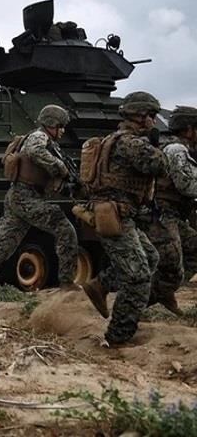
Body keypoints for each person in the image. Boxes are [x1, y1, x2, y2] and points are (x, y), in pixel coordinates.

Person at [0, 104, 79, 314]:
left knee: (4, 247)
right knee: (64, 229)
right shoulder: (39, 138)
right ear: (52, 125)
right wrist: (60, 167)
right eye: (61, 126)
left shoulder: (40, 139)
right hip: (26, 196)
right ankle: (67, 284)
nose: (63, 131)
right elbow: (34, 151)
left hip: (18, 197)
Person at [81, 92, 167, 346]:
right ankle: (118, 337)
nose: (153, 121)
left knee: (150, 258)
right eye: (151, 116)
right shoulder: (132, 143)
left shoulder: (115, 139)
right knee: (138, 276)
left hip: (119, 214)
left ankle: (101, 284)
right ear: (141, 116)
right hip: (115, 216)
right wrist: (155, 142)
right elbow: (159, 166)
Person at [143, 106, 197, 314]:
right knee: (171, 268)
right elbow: (186, 184)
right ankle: (132, 308)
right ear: (189, 129)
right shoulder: (176, 150)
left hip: (172, 216)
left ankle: (162, 293)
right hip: (164, 217)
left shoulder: (180, 148)